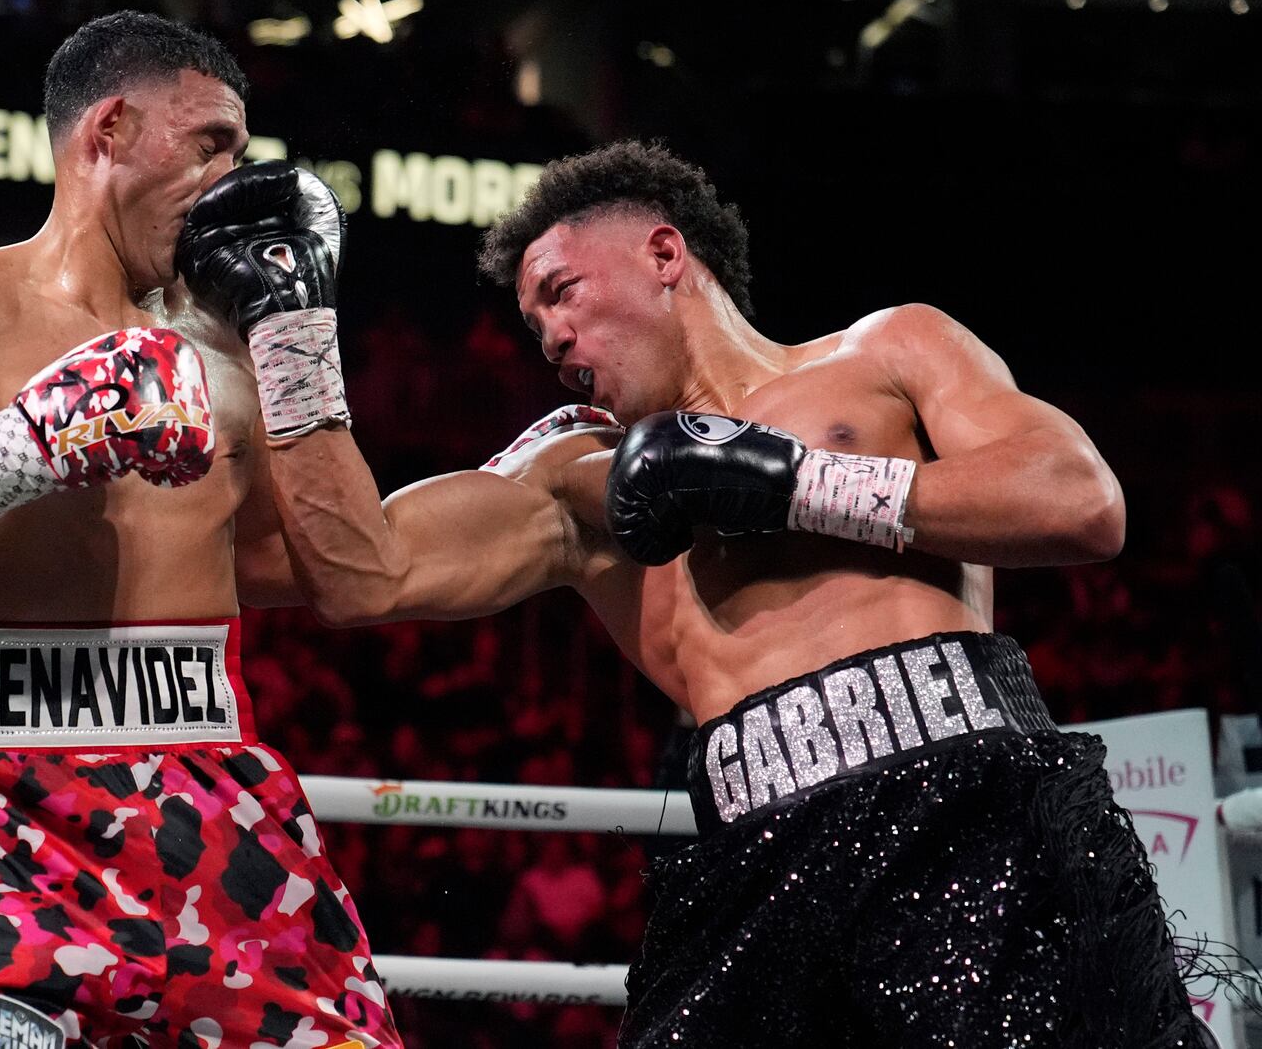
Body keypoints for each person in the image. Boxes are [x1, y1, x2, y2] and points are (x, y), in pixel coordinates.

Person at [177, 140, 1217, 1047]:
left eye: (559, 291)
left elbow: (1080, 504)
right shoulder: (575, 473)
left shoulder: (887, 349)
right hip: (755, 864)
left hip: (971, 810)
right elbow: (358, 571)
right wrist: (287, 334)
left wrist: (794, 483)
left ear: (663, 254)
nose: (546, 336)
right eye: (531, 318)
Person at [0, 11, 399, 1049]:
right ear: (106, 132)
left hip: (209, 793)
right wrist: (19, 445)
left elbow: (343, 573)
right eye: (212, 145)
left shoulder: (236, 344)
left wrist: (300, 344)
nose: (238, 176)